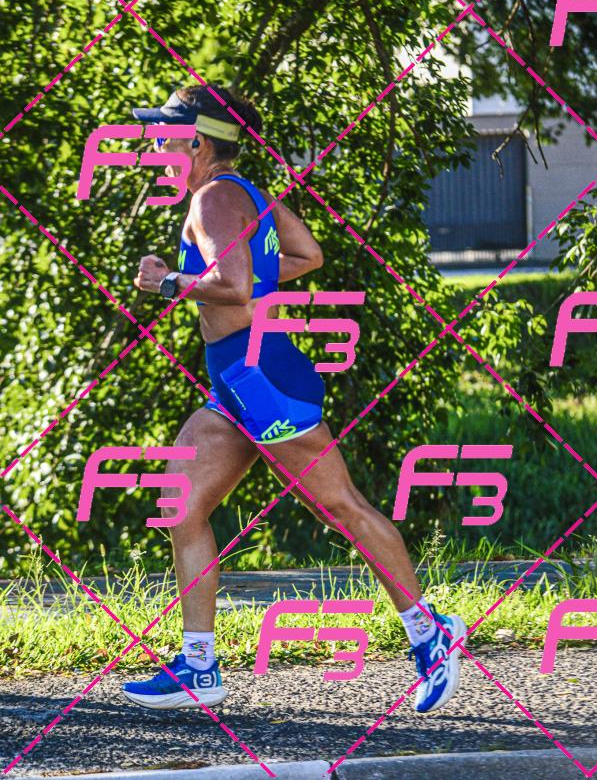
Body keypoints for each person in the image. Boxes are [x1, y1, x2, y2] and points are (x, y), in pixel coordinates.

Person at [121, 83, 465, 713]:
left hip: (263, 381)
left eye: (167, 136)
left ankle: (430, 631)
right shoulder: (248, 193)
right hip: (237, 383)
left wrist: (168, 282)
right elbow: (307, 255)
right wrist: (242, 277)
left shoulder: (211, 198)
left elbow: (233, 286)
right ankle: (199, 666)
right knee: (182, 505)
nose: (157, 147)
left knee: (341, 508)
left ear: (197, 143)